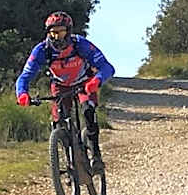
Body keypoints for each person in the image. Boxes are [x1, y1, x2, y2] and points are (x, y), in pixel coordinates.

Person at [15, 11, 115, 172]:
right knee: (59, 122)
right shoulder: (42, 50)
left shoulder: (80, 44)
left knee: (88, 111)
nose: (57, 37)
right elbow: (25, 76)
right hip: (60, 86)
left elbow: (107, 67)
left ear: (68, 31)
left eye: (61, 32)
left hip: (84, 83)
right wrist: (22, 94)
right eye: (53, 32)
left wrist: (96, 81)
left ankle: (96, 156)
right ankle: (69, 160)